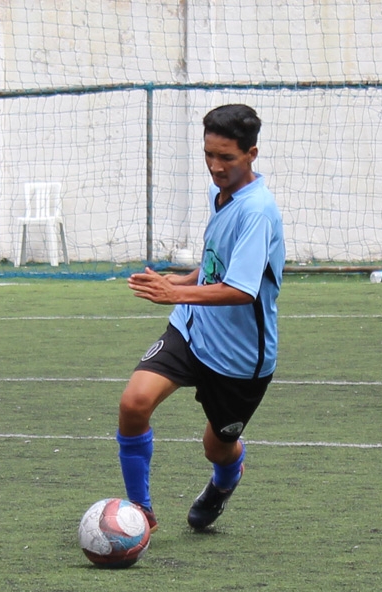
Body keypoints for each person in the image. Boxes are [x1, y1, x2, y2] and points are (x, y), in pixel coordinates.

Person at [117, 104, 284, 531]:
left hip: (239, 359)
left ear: (252, 154)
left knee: (217, 447)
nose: (215, 166)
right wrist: (188, 280)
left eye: (226, 157)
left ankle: (225, 480)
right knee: (134, 403)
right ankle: (141, 513)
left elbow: (242, 289)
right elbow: (219, 267)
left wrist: (175, 291)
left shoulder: (257, 211)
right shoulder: (221, 193)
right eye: (208, 154)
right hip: (192, 329)